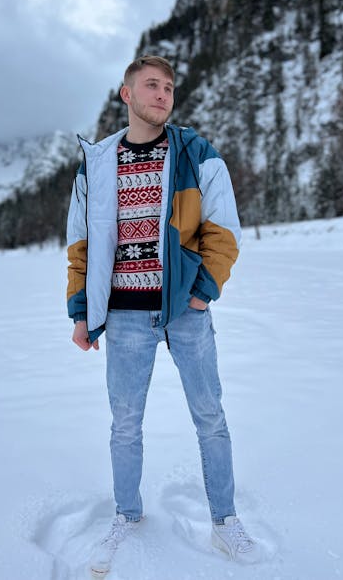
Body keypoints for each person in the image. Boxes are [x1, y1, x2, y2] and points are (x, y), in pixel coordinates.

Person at [66, 55, 256, 575]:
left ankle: (225, 520)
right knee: (125, 425)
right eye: (151, 85)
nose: (163, 94)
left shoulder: (196, 153)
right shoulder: (98, 163)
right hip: (124, 314)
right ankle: (127, 514)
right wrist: (82, 312)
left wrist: (202, 291)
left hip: (184, 311)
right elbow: (81, 246)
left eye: (169, 86)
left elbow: (224, 229)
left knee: (210, 418)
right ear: (125, 95)